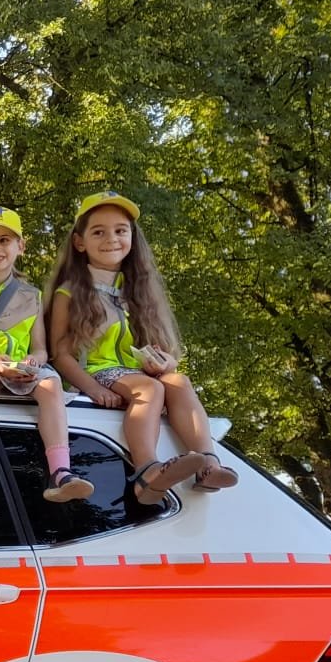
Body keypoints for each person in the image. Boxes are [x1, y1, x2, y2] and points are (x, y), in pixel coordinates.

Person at [46, 190, 238, 502]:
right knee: (151, 390)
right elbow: (61, 354)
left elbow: (163, 351)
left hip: (137, 374)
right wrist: (93, 389)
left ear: (132, 237)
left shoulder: (137, 293)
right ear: (80, 242)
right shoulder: (69, 294)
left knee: (177, 381)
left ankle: (208, 463)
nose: (112, 239)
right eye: (99, 232)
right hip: (98, 373)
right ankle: (147, 470)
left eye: (121, 231)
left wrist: (165, 364)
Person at [0, 206, 93, 503]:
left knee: (51, 385)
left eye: (4, 240)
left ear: (20, 246)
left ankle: (61, 472)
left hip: (21, 368)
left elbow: (40, 347)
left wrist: (32, 362)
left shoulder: (32, 296)